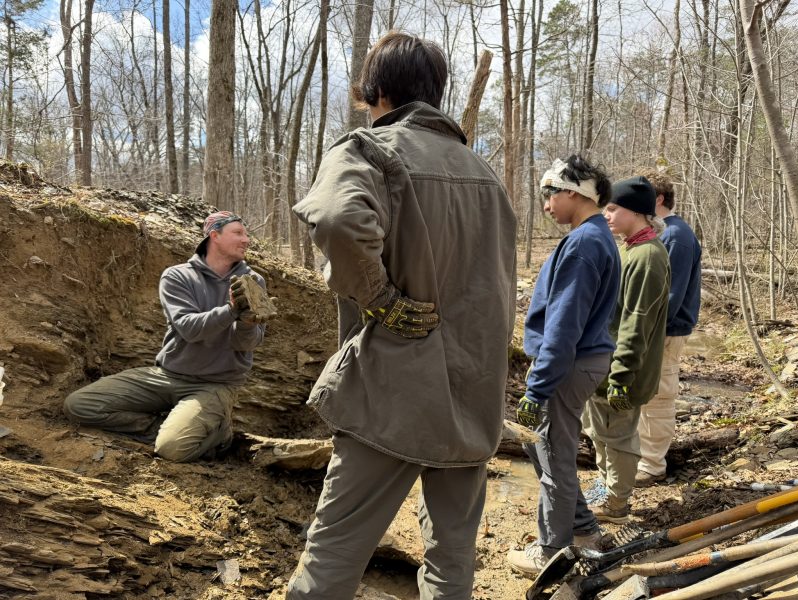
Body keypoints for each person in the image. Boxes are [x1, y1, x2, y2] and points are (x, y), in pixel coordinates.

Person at [287, 31, 517, 600]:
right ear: (435, 93)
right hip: (473, 398)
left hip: (393, 392)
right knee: (451, 560)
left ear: (376, 90)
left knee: (332, 559)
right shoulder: (485, 174)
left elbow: (338, 223)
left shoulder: (369, 150)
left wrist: (382, 300)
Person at [63, 211, 267, 463]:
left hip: (214, 385)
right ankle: (166, 428)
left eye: (245, 234)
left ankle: (219, 436)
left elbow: (246, 344)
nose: (246, 239)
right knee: (79, 405)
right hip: (166, 377)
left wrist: (247, 322)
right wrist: (231, 311)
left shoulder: (253, 281)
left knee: (172, 449)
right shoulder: (178, 276)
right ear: (214, 236)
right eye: (238, 233)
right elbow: (189, 329)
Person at [507, 155, 621, 577]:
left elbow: (564, 323)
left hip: (570, 363)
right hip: (582, 361)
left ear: (575, 192)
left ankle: (552, 551)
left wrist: (537, 389)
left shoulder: (585, 243)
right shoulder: (592, 236)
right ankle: (584, 530)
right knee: (548, 453)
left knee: (552, 457)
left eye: (551, 193)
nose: (546, 203)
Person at [584, 176, 670, 523]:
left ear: (636, 211)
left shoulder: (648, 255)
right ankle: (606, 486)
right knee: (599, 432)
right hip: (604, 365)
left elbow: (637, 324)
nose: (606, 214)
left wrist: (620, 376)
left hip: (621, 371)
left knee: (618, 436)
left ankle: (617, 504)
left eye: (613, 208)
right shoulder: (628, 248)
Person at [635, 170, 701, 487]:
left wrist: (645, 331)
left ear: (658, 199)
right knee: (644, 394)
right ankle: (640, 456)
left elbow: (669, 296)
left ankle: (651, 466)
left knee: (658, 396)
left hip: (666, 330)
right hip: (656, 329)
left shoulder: (676, 236)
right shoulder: (664, 232)